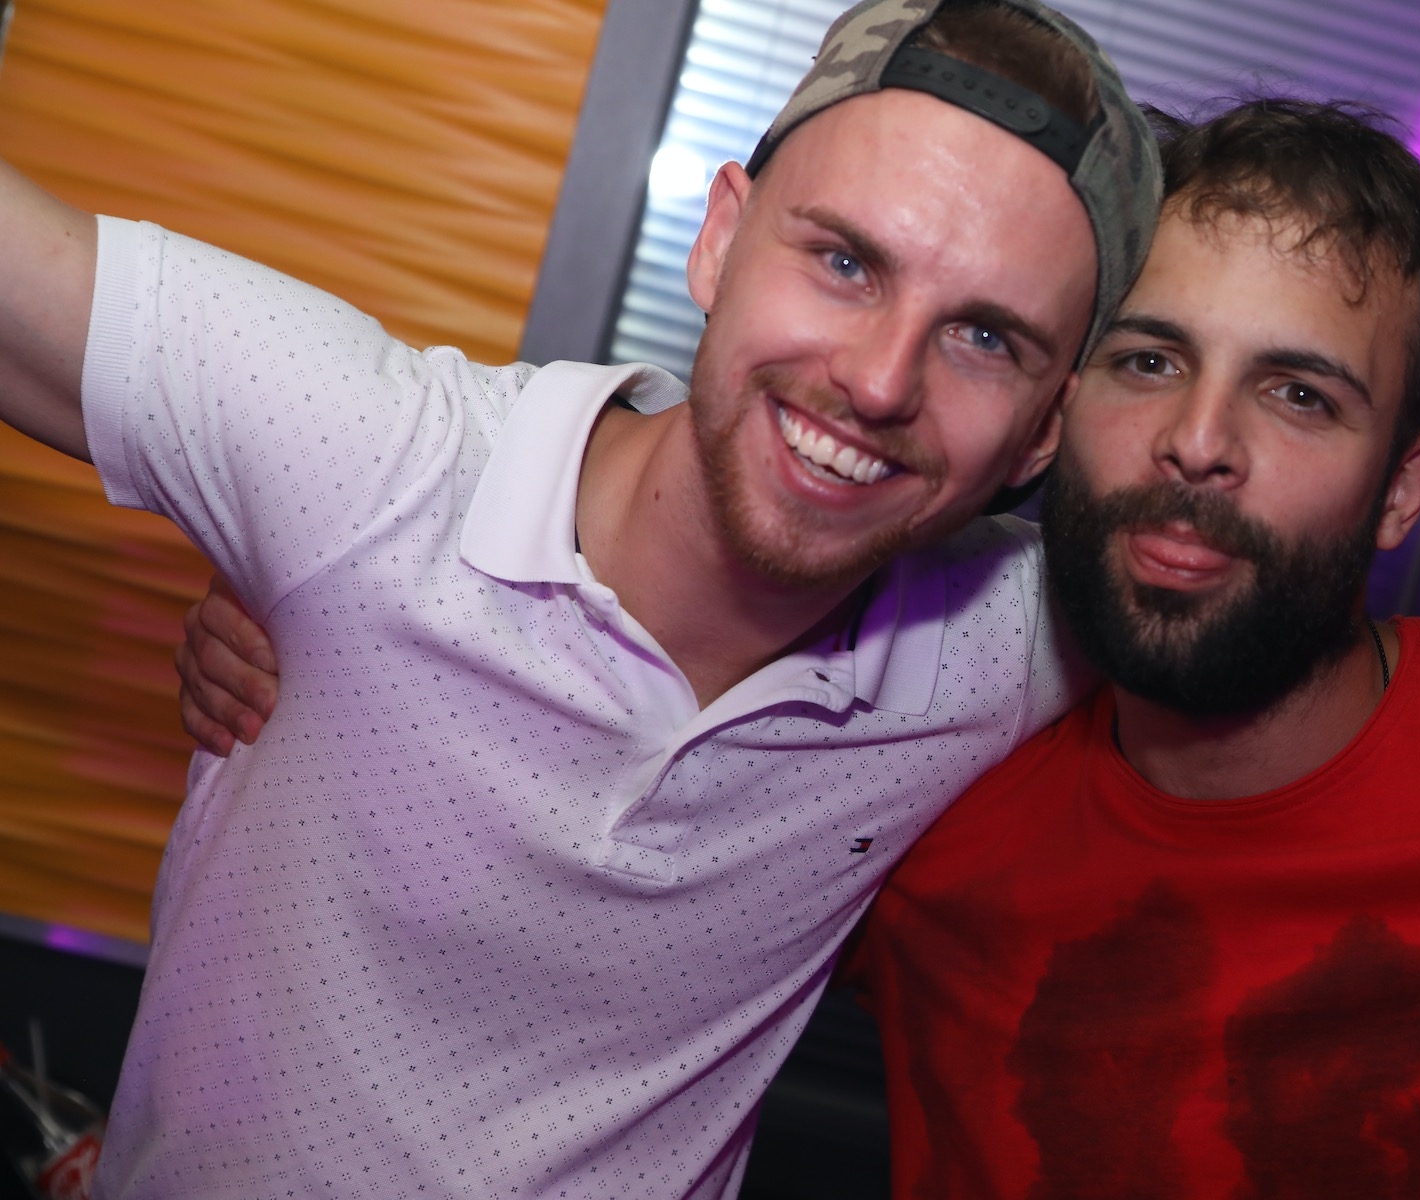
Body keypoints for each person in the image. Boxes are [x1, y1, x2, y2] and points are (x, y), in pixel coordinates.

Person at [0, 1, 1162, 1195]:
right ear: (721, 239)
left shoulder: (1010, 646)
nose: (877, 381)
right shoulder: (380, 468)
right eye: (845, 262)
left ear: (1046, 433)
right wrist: (283, 561)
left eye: (985, 337)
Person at [835, 103, 1420, 1197]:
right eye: (1149, 360)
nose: (1199, 442)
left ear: (1400, 490)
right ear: (1060, 410)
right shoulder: (915, 809)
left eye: (1299, 395)